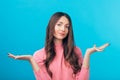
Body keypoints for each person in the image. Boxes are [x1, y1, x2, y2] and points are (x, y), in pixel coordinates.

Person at [8, 12, 109, 80]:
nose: (63, 29)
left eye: (67, 26)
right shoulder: (39, 55)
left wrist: (88, 54)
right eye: (59, 24)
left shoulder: (76, 51)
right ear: (52, 26)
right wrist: (31, 60)